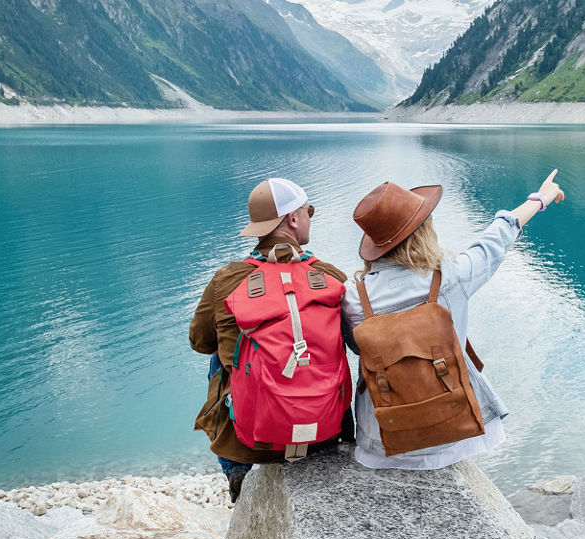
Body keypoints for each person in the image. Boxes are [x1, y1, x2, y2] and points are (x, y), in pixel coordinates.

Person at [342, 171, 565, 470]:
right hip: (455, 434)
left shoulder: (355, 299)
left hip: (381, 442)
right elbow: (496, 239)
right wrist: (539, 199)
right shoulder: (451, 276)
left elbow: (359, 349)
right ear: (423, 232)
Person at [189, 177, 351, 500]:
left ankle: (237, 473)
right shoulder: (331, 277)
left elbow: (199, 340)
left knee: (223, 354)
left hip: (254, 444)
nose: (309, 218)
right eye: (308, 212)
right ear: (292, 219)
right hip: (325, 433)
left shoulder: (226, 280)